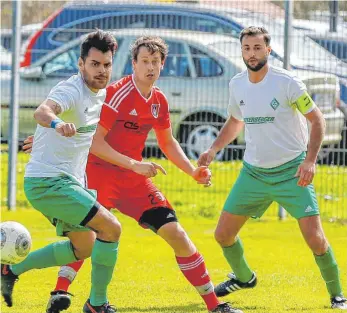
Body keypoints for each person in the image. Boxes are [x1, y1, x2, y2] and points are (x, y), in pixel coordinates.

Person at [23, 36, 243, 313]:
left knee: (176, 233)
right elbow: (91, 135)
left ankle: (215, 306)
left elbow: (167, 142)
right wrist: (47, 134)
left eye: (155, 62)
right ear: (133, 64)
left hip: (133, 181)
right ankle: (61, 291)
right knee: (90, 237)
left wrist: (192, 172)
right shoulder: (115, 92)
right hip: (99, 174)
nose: (150, 67)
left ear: (163, 65)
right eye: (144, 61)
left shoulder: (159, 100)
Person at [197, 26, 347, 310]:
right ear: (241, 52)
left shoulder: (288, 82)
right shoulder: (237, 84)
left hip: (292, 173)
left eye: (257, 48)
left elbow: (317, 120)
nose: (251, 54)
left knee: (315, 240)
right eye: (246, 49)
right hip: (253, 173)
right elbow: (235, 121)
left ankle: (338, 295)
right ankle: (244, 277)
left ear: (268, 49)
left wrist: (310, 161)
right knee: (223, 235)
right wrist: (214, 149)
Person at [1, 30, 122, 313]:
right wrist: (56, 125)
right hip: (49, 183)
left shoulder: (101, 91)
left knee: (86, 246)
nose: (101, 71)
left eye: (106, 64)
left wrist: (44, 139)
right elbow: (43, 111)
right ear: (81, 64)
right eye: (94, 64)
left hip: (67, 182)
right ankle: (97, 304)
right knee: (111, 228)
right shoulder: (71, 90)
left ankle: (10, 271)